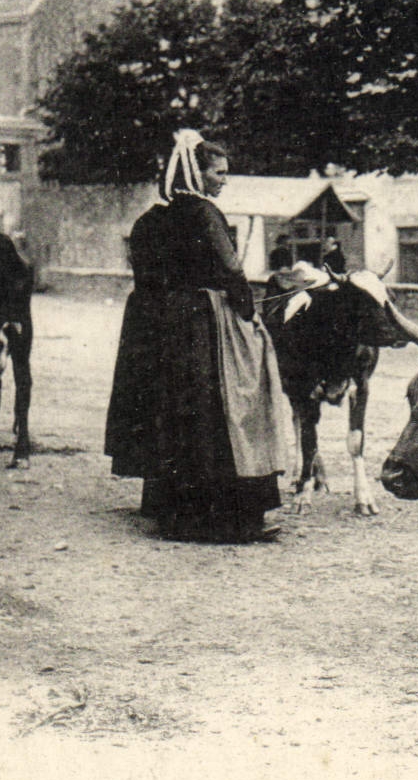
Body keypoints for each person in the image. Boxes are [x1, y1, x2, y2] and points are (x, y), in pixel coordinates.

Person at [105, 130, 291, 544]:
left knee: (173, 415)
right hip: (204, 327)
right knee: (223, 412)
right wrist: (247, 313)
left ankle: (172, 513)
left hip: (160, 331)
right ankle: (230, 518)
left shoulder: (149, 219)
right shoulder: (205, 214)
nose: (224, 180)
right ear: (196, 173)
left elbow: (144, 280)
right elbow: (232, 271)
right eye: (218, 173)